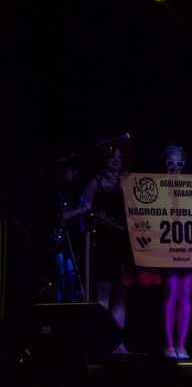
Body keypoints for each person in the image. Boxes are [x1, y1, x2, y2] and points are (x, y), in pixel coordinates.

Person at [84, 142, 133, 353]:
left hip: (124, 245)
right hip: (104, 244)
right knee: (103, 294)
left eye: (120, 157)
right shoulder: (95, 183)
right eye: (113, 156)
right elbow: (85, 212)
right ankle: (102, 340)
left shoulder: (127, 181)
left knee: (121, 295)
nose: (116, 161)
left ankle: (118, 342)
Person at [40, 154, 91, 303]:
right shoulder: (51, 190)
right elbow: (56, 216)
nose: (75, 173)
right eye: (72, 169)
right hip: (55, 244)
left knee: (71, 283)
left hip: (68, 244)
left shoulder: (68, 190)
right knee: (60, 282)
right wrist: (81, 209)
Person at [161, 146, 192, 360]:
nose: (175, 168)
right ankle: (169, 345)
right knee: (171, 293)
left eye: (179, 164)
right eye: (170, 163)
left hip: (189, 246)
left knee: (185, 295)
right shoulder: (157, 185)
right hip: (168, 246)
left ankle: (181, 345)